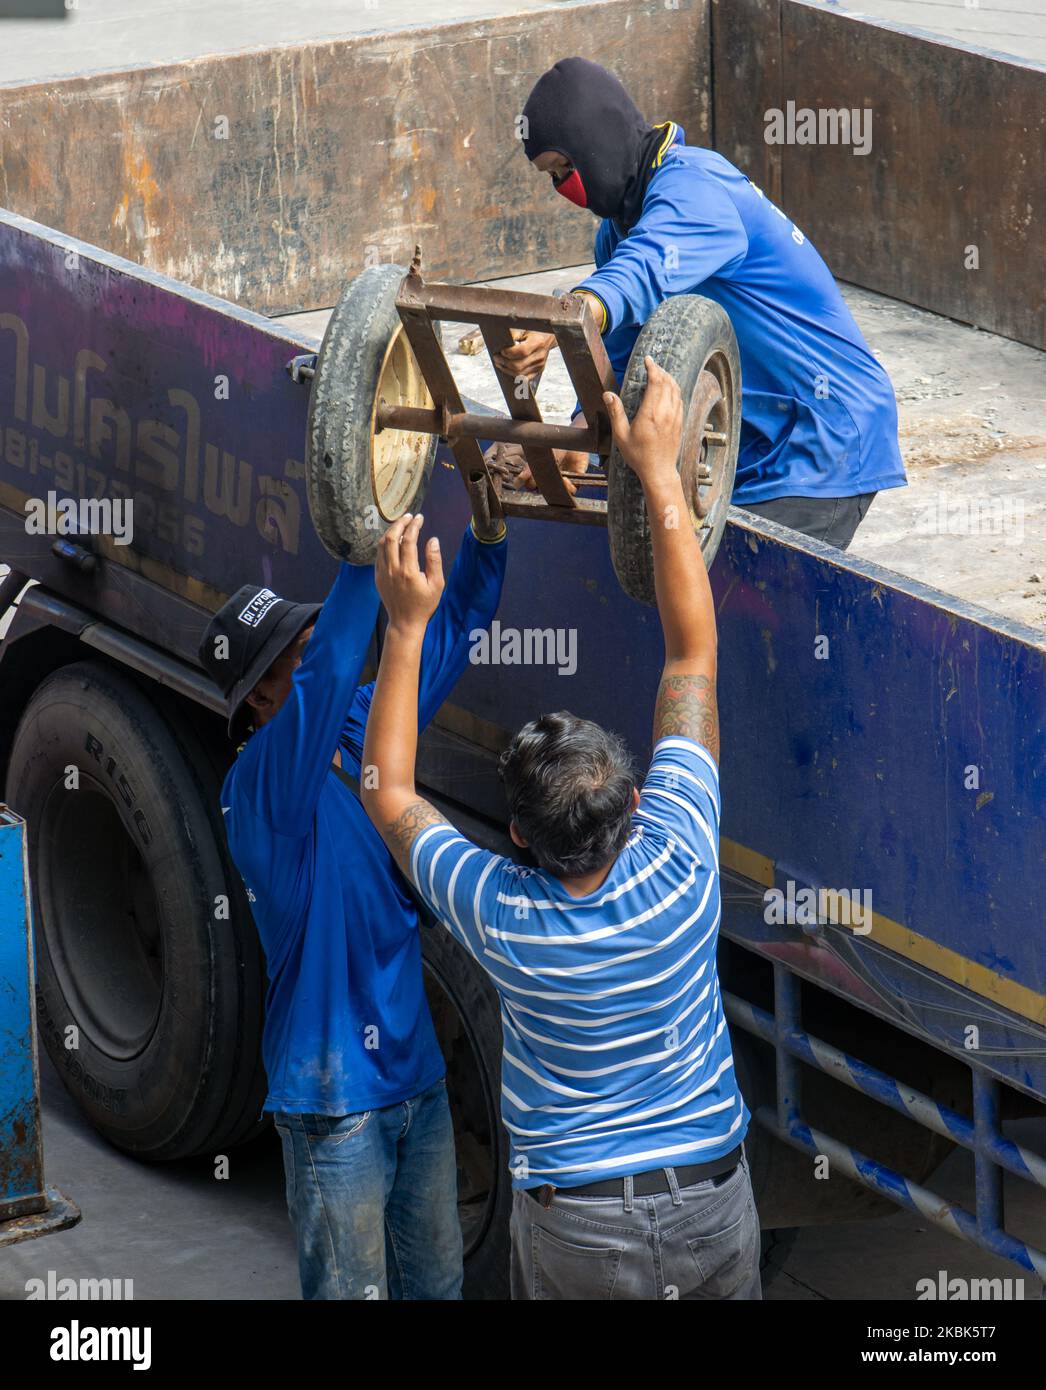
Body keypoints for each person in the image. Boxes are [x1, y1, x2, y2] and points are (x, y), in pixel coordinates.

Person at [361, 360, 760, 1301]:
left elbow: (387, 792)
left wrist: (410, 628)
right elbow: (692, 650)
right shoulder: (679, 858)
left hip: (577, 1226)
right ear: (631, 803)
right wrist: (662, 473)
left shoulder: (505, 918)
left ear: (519, 838)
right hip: (708, 1201)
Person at [197, 499, 508, 1300]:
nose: (311, 654)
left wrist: (488, 526)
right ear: (261, 703)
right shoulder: (259, 786)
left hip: (416, 1081)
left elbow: (455, 626)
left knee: (437, 1289)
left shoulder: (364, 731)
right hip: (334, 1107)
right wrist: (369, 526)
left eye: (305, 637)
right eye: (289, 658)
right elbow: (338, 661)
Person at [494, 56, 906, 549]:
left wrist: (571, 314)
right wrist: (578, 435)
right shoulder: (618, 233)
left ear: (595, 141)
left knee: (735, 601)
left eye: (565, 168)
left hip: (822, 437)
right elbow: (629, 371)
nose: (565, 188)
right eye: (552, 177)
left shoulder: (695, 187)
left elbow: (645, 271)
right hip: (746, 446)